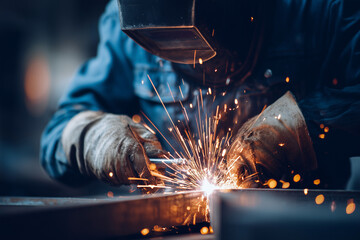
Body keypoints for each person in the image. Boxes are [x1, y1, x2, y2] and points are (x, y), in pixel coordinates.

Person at [41, 0, 360, 189]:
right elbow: (57, 133)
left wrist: (304, 129)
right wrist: (90, 138)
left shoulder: (317, 9)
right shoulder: (121, 22)